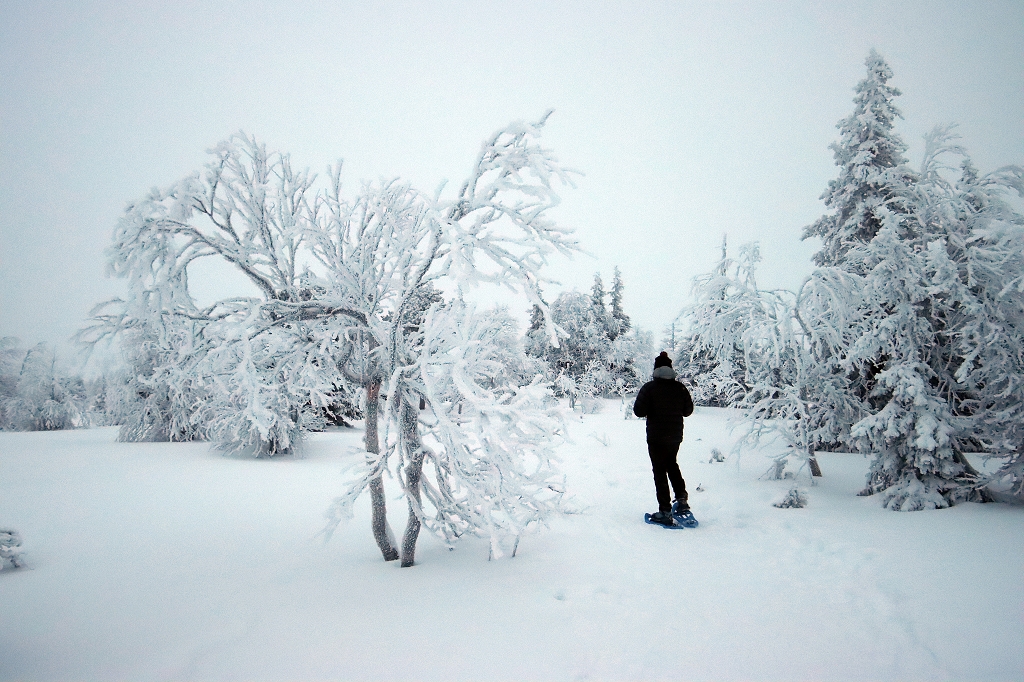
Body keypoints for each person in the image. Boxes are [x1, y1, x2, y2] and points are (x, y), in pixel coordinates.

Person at [633, 351, 694, 527]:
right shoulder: (680, 388)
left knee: (659, 471)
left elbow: (639, 411)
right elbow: (688, 411)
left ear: (656, 369)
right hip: (675, 436)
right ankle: (682, 502)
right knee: (672, 465)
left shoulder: (649, 388)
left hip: (656, 437)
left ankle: (665, 511)